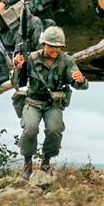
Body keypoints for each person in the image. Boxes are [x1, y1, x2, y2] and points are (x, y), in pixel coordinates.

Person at [12, 26, 88, 179]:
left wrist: (80, 80)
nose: (55, 49)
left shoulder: (67, 61)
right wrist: (18, 69)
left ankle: (46, 162)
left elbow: (80, 84)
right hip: (33, 101)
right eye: (52, 46)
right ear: (44, 44)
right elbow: (17, 83)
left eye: (58, 46)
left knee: (55, 130)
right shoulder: (32, 58)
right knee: (30, 129)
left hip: (53, 104)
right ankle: (27, 164)